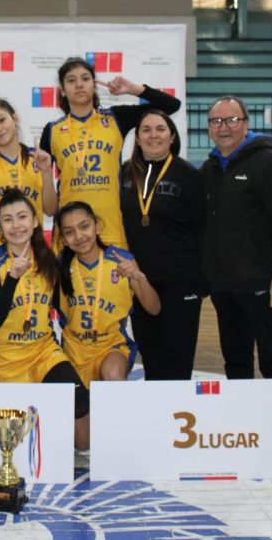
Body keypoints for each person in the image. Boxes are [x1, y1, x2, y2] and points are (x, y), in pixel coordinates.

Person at [201, 95, 272, 379]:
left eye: (232, 120)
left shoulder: (269, 162)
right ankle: (242, 421)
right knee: (235, 362)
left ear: (246, 124)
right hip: (224, 287)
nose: (224, 127)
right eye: (216, 121)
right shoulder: (209, 168)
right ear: (209, 127)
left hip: (265, 286)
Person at [0, 189, 92, 450]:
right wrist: (11, 277)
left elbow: (61, 304)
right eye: (7, 219)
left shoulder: (49, 259)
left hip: (44, 352)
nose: (16, 225)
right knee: (14, 448)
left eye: (22, 217)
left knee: (84, 439)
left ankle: (55, 431)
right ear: (0, 227)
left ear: (35, 221)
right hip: (8, 360)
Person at [40, 61, 180, 249]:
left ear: (94, 85)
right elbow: (48, 206)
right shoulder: (52, 130)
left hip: (112, 228)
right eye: (71, 80)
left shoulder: (116, 118)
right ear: (63, 90)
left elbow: (171, 105)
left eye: (85, 78)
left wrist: (133, 89)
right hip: (71, 230)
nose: (79, 84)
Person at [120, 109, 205, 380]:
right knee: (152, 353)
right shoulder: (125, 173)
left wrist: (203, 281)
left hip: (182, 280)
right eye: (146, 129)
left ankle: (179, 418)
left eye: (160, 129)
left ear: (171, 137)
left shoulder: (188, 175)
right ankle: (159, 419)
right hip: (142, 280)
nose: (153, 135)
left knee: (178, 357)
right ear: (138, 138)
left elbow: (204, 228)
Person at [56, 201, 158, 392]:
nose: (79, 236)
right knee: (80, 418)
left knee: (112, 374)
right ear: (63, 239)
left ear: (97, 226)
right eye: (69, 232)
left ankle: (117, 420)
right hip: (73, 351)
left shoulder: (121, 260)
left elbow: (154, 308)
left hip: (111, 347)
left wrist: (140, 278)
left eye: (84, 227)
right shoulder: (60, 265)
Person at [0, 96, 57, 246]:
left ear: (15, 118)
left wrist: (46, 172)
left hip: (34, 250)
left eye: (1, 120)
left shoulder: (37, 158)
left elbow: (50, 210)